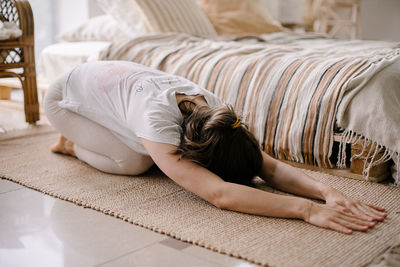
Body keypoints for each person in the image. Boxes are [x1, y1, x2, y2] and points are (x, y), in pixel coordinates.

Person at [44, 61, 386, 235]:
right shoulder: (157, 124)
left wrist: (327, 192)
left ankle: (97, 131)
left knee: (148, 154)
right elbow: (220, 194)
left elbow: (267, 166)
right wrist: (307, 210)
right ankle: (72, 143)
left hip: (101, 85)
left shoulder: (216, 114)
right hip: (64, 99)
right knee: (134, 160)